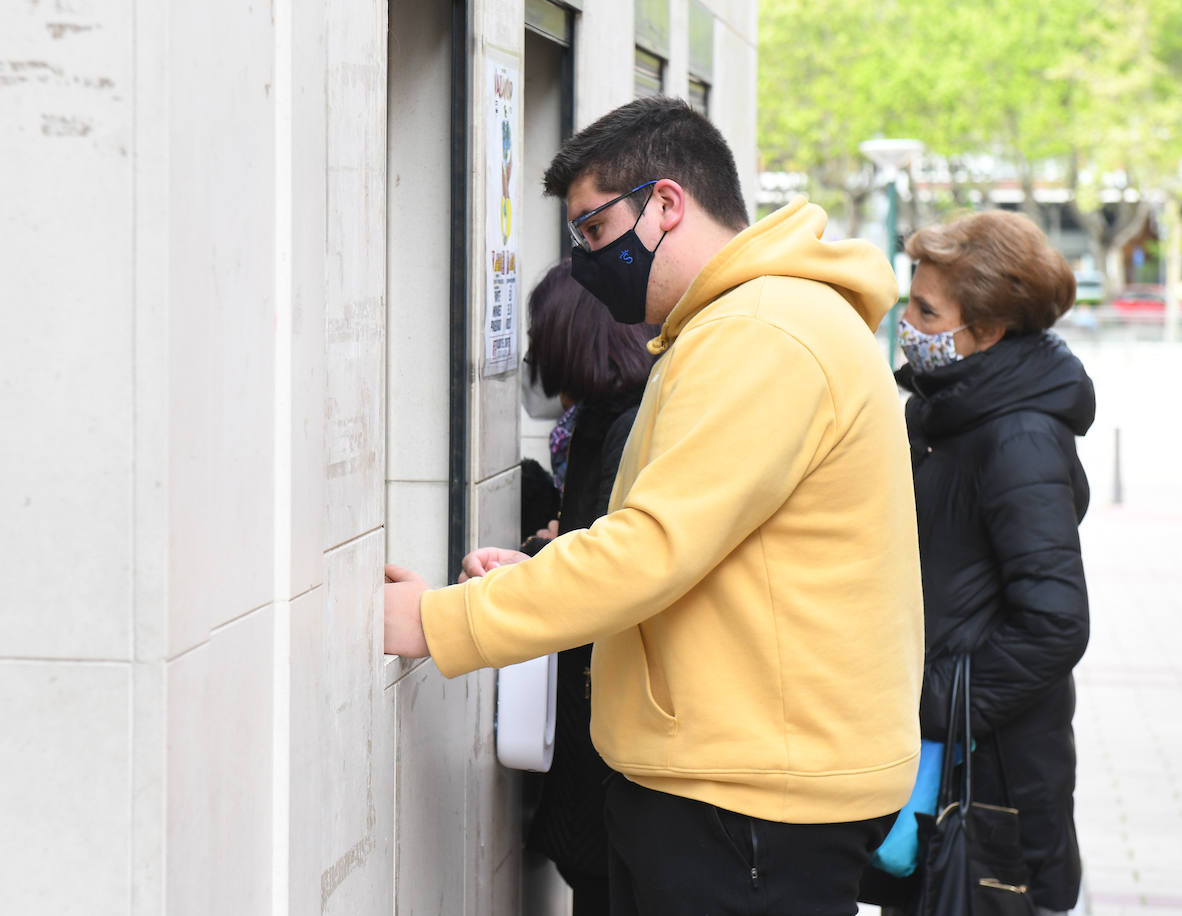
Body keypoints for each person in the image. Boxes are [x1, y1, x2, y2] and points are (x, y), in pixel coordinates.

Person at [384, 96, 924, 915]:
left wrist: (435, 623)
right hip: (739, 779)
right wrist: (534, 574)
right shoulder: (739, 324)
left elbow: (649, 549)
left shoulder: (762, 332)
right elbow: (691, 545)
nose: (586, 259)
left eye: (595, 230)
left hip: (746, 797)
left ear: (666, 204)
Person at [893, 210, 1093, 915]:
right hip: (951, 761)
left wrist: (931, 699)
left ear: (988, 332)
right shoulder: (950, 410)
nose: (907, 322)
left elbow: (1056, 622)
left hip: (994, 776)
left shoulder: (1018, 436)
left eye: (925, 311)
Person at [518, 259, 659, 915]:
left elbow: (610, 575)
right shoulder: (602, 422)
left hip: (609, 737)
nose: (532, 355)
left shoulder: (622, 426)